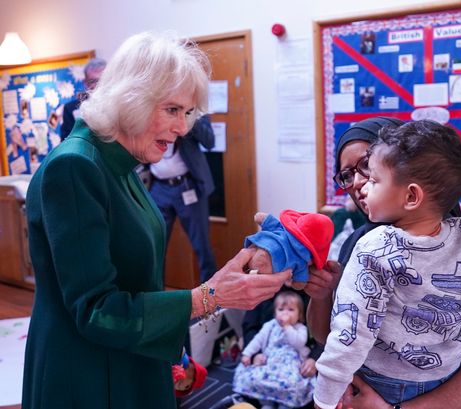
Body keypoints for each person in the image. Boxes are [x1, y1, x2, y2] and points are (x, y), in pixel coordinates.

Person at [21, 31, 291, 409]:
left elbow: (134, 282)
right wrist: (207, 297)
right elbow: (96, 310)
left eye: (187, 113)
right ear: (132, 99)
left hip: (127, 358)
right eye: (172, 110)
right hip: (89, 376)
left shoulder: (121, 163)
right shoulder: (75, 167)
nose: (182, 128)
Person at [311, 120, 461, 409]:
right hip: (417, 377)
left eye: (369, 171)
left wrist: (324, 400)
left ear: (411, 194)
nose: (359, 183)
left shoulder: (375, 248)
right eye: (347, 174)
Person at [149, 114, 217, 281]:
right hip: (158, 187)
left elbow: (210, 142)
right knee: (155, 246)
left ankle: (210, 301)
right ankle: (156, 297)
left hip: (188, 187)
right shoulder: (149, 110)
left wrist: (188, 116)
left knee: (202, 246)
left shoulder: (194, 111)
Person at [233, 291, 316, 409]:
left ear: (299, 314)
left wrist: (287, 327)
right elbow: (258, 340)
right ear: (275, 312)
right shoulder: (270, 325)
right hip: (270, 361)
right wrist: (248, 354)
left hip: (291, 364)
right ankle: (266, 403)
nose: (285, 313)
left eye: (291, 310)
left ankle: (285, 404)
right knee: (256, 377)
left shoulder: (300, 328)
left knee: (292, 383)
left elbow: (299, 342)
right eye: (281, 310)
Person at [60, 57, 106, 140]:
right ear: (85, 83)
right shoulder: (71, 109)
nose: (98, 85)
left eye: (103, 80)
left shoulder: (118, 105)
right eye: (93, 81)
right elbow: (66, 141)